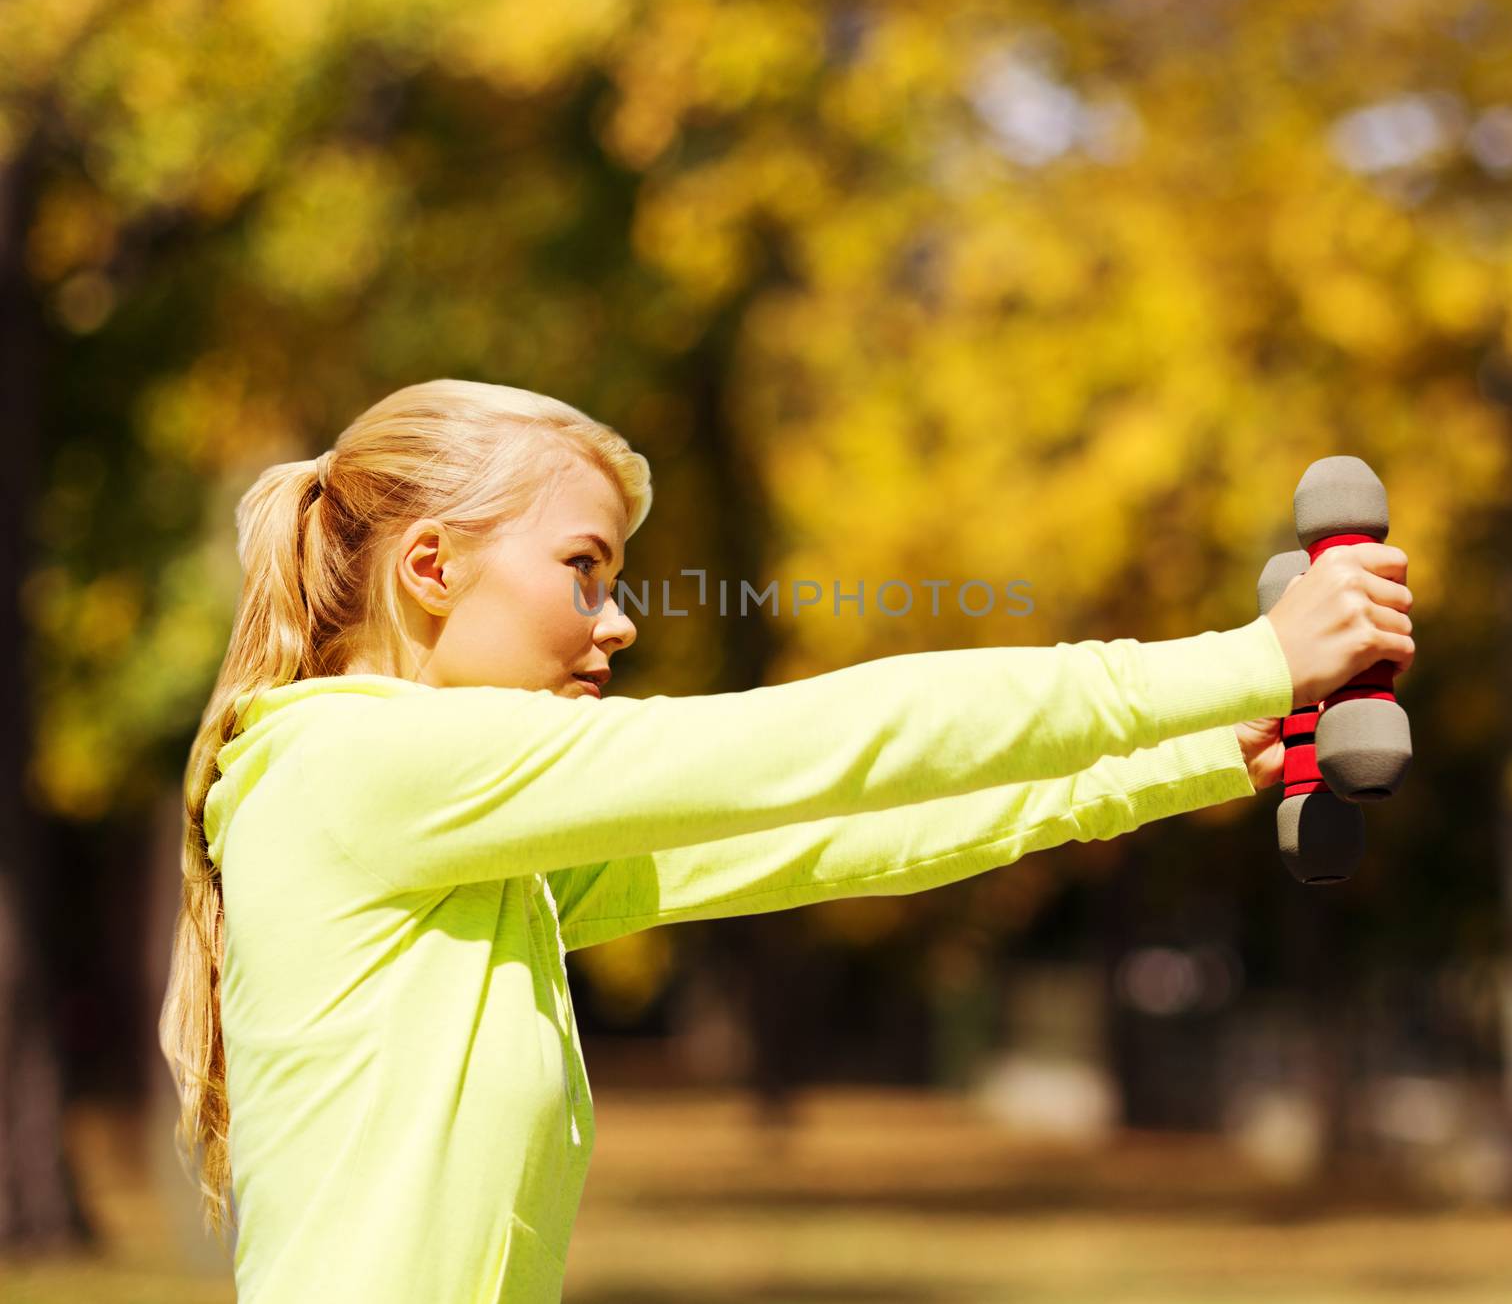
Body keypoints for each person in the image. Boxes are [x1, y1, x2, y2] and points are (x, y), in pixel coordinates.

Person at [157, 377, 1415, 1303]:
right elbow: (832, 736)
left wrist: (1199, 749)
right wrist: (1247, 655)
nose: (619, 624)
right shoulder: (354, 765)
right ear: (431, 565)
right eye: (585, 571)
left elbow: (829, 826)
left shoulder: (462, 835)